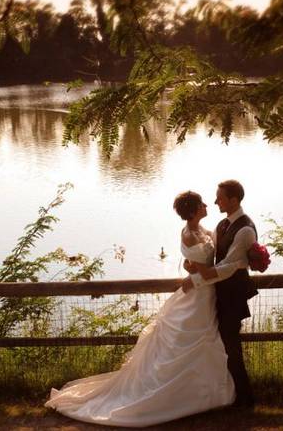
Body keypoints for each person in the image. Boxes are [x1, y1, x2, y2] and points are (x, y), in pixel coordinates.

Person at [44, 191, 245, 427]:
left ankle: (202, 395)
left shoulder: (204, 230)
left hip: (204, 293)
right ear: (192, 211)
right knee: (193, 341)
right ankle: (185, 397)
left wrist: (195, 267)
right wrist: (207, 268)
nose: (206, 205)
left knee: (205, 341)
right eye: (201, 204)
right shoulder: (190, 235)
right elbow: (200, 268)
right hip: (198, 294)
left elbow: (197, 264)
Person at [181, 179, 257, 407]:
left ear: (233, 200)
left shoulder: (245, 229)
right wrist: (192, 265)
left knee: (231, 347)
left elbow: (228, 267)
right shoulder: (222, 225)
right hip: (216, 295)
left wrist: (194, 278)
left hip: (232, 297)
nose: (215, 202)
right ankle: (225, 394)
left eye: (220, 198)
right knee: (221, 346)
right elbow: (209, 256)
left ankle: (245, 399)